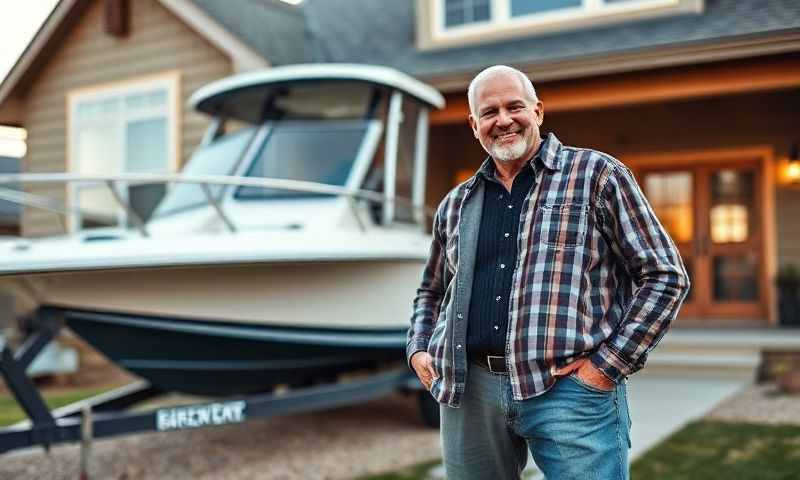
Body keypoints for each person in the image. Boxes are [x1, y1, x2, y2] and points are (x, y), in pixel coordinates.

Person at [407, 65, 690, 480]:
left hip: (569, 393)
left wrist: (608, 365)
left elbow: (665, 276)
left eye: (514, 106)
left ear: (537, 111)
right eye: (489, 112)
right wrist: (417, 347)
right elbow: (432, 290)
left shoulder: (598, 176)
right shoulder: (457, 203)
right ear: (474, 125)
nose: (503, 120)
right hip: (470, 392)